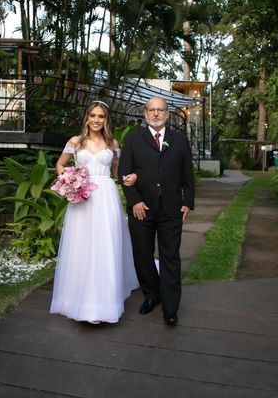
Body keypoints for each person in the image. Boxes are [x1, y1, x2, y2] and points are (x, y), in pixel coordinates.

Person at [50, 101, 139, 324]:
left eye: (101, 116)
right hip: (82, 197)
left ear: (106, 120)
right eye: (93, 116)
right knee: (82, 246)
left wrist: (129, 178)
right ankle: (78, 299)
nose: (97, 120)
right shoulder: (75, 142)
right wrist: (69, 180)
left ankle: (104, 301)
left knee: (104, 244)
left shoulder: (112, 143)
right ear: (87, 118)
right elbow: (59, 165)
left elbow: (118, 173)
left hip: (106, 196)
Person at [119, 97, 195, 326]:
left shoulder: (180, 140)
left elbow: (187, 174)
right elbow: (124, 174)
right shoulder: (133, 140)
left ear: (167, 114)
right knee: (142, 255)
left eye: (160, 110)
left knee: (170, 256)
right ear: (145, 113)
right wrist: (135, 202)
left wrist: (188, 202)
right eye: (151, 110)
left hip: (172, 209)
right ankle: (152, 295)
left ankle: (170, 308)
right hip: (142, 208)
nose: (156, 114)